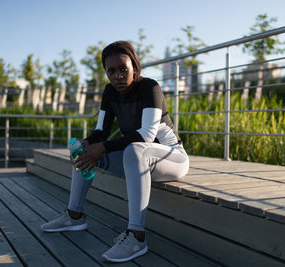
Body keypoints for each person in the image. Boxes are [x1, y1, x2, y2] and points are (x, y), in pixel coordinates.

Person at [41, 40, 189, 263]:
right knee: (86, 151)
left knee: (135, 149)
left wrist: (103, 147)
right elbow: (101, 132)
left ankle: (136, 236)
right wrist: (88, 143)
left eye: (123, 69)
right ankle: (74, 216)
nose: (118, 75)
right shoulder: (110, 92)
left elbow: (147, 135)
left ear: (134, 68)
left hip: (172, 158)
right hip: (137, 158)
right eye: (111, 71)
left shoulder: (150, 88)